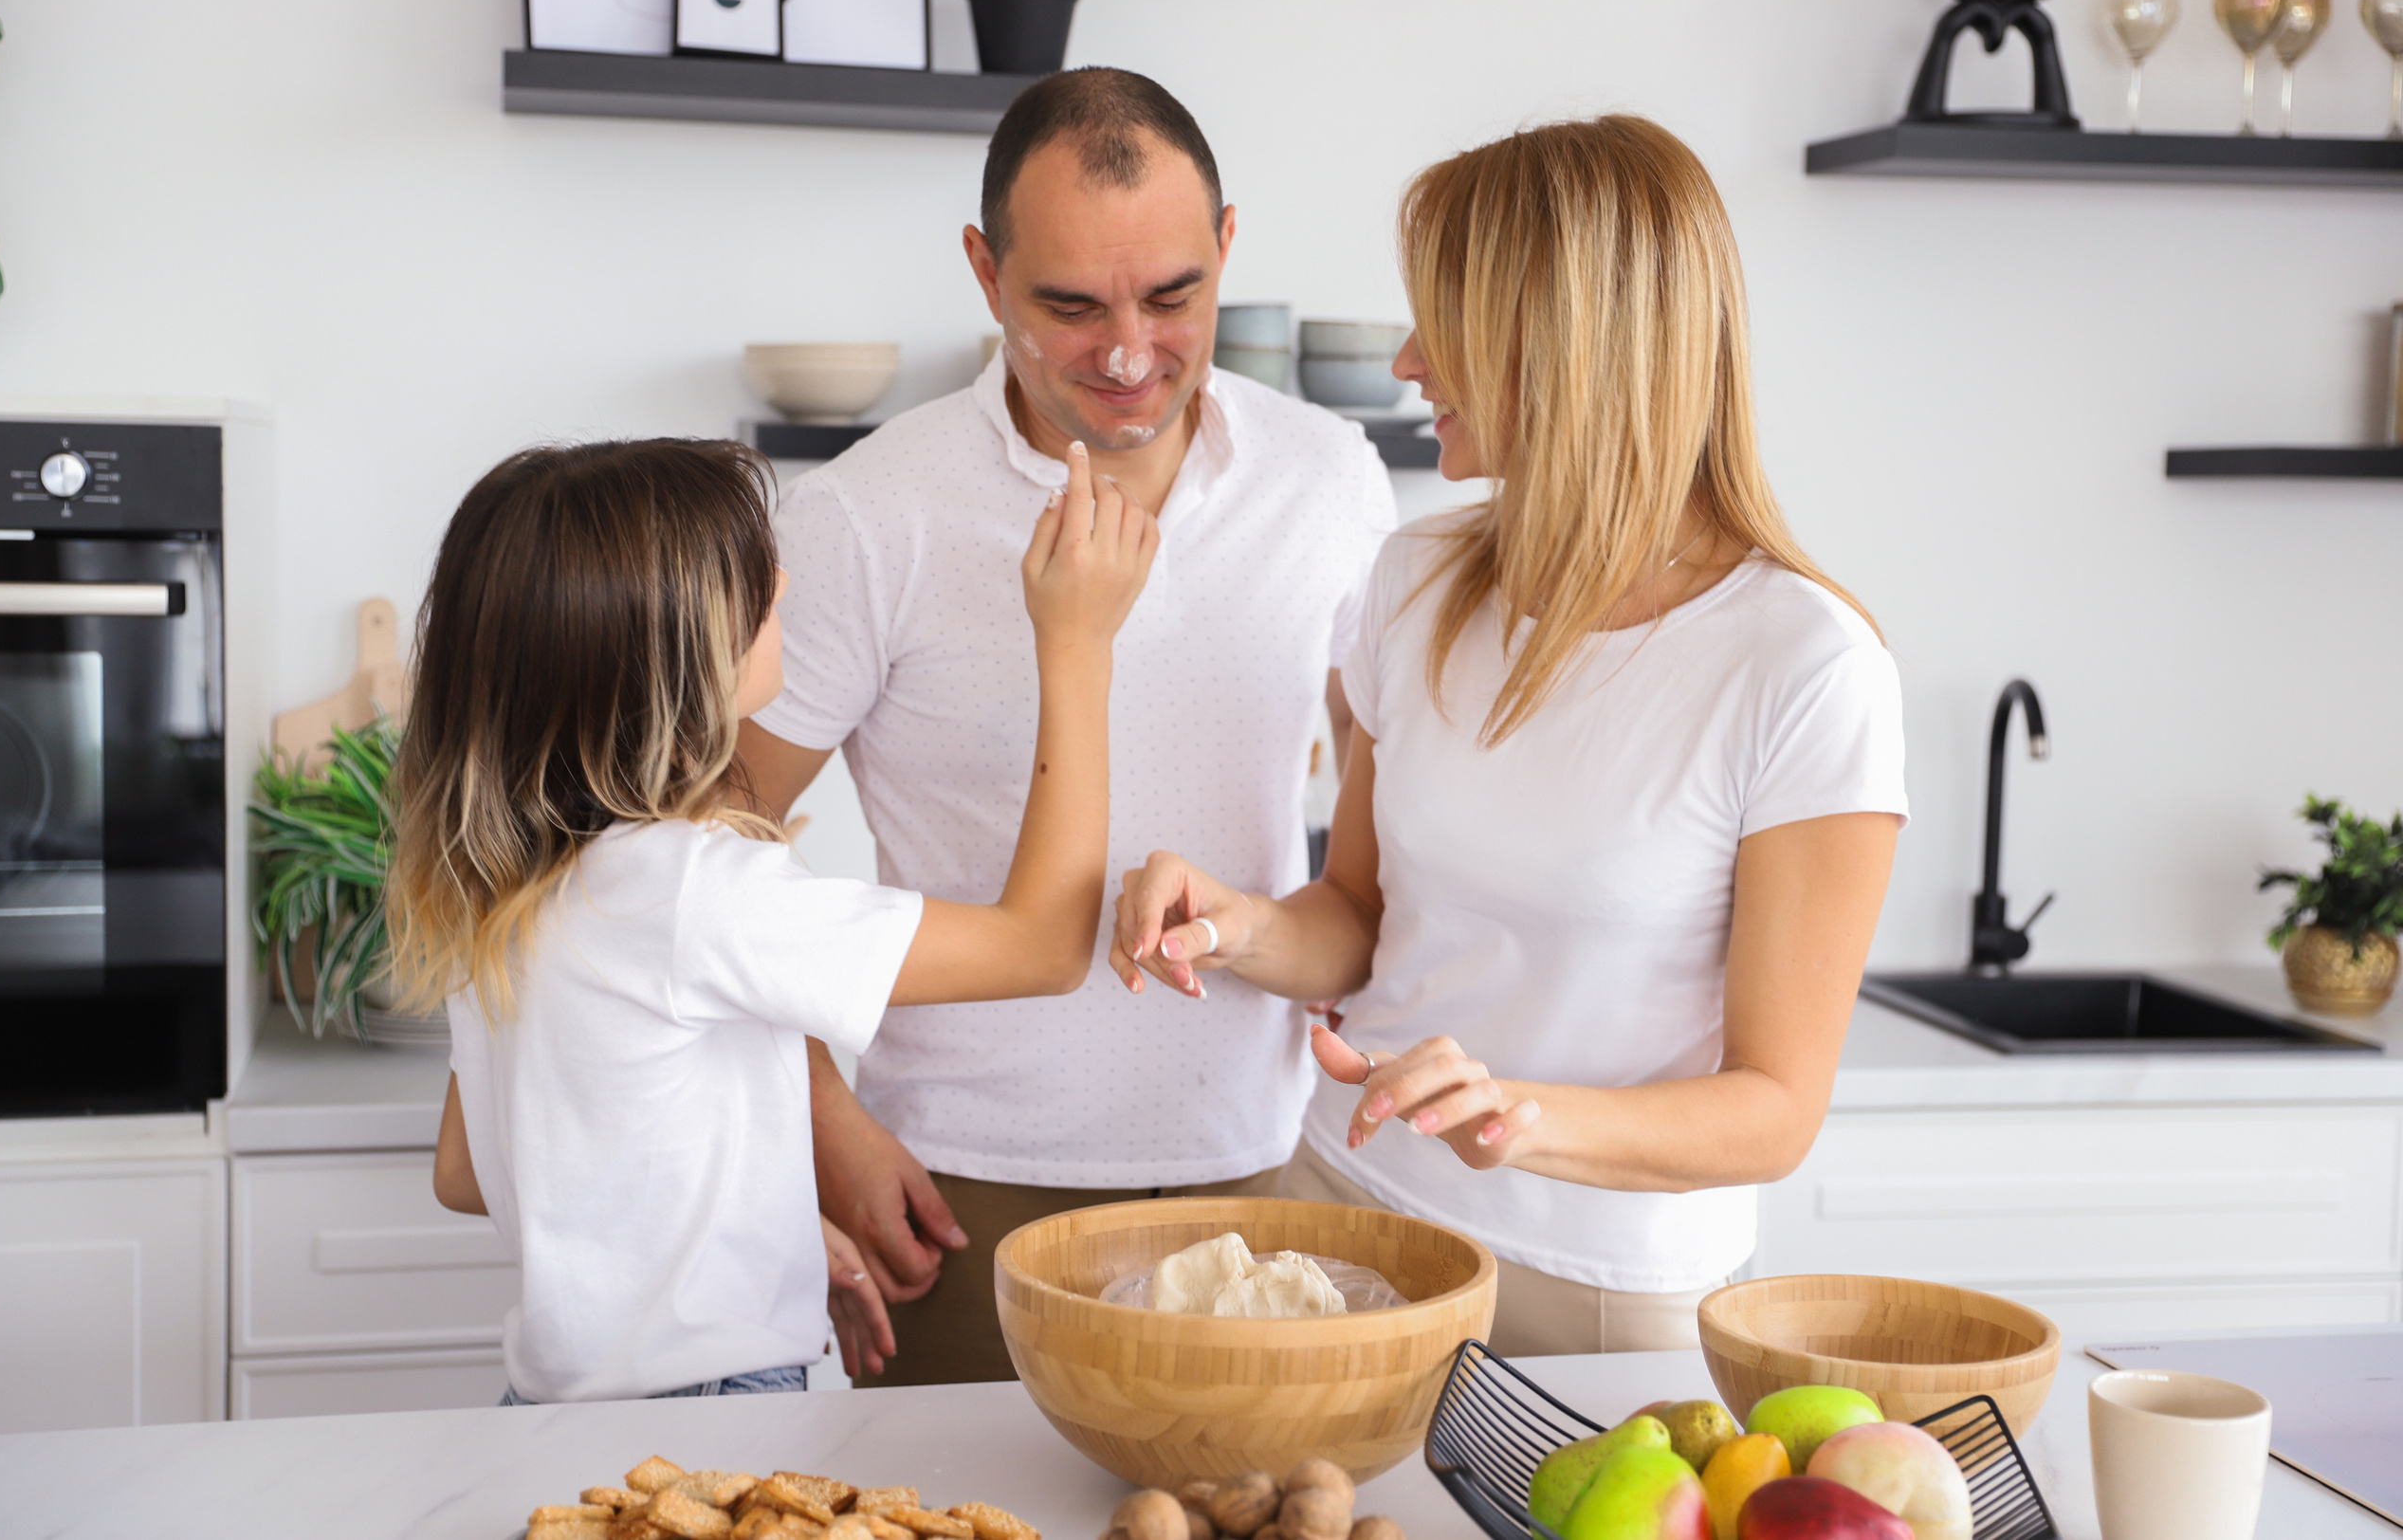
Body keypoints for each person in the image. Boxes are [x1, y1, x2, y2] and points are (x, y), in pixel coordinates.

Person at [1110, 116, 1908, 1357]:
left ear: (1568, 349)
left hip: (1600, 1282)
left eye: (1449, 326)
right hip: (1346, 1208)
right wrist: (1238, 924)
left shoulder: (1804, 665)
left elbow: (1774, 1108)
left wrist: (1519, 1113)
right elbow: (1361, 915)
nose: (1411, 362)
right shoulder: (1418, 575)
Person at [734, 67, 1397, 1384]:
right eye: (1070, 305)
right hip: (961, 1192)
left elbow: (1375, 863)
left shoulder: (1331, 483)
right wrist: (821, 1116)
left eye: (1172, 295)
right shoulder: (872, 515)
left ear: (1227, 249)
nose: (1130, 351)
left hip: (1262, 1168)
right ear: (985, 274)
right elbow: (707, 844)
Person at [401, 435, 1156, 1402]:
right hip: (707, 1414)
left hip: (552, 1407)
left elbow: (470, 1174)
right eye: (753, 579)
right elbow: (1045, 947)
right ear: (666, 654)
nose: (787, 580)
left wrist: (757, 1236)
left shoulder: (511, 885)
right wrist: (1078, 644)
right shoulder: (690, 888)